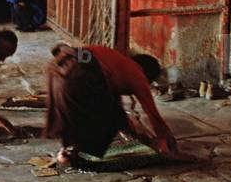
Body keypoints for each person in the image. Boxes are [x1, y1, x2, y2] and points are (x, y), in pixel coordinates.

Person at [45, 43, 179, 166]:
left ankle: (66, 149)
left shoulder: (115, 64)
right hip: (77, 72)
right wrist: (165, 140)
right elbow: (152, 113)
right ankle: (76, 153)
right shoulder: (136, 72)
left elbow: (113, 103)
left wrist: (133, 131)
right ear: (145, 73)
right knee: (107, 120)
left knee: (69, 111)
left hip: (56, 68)